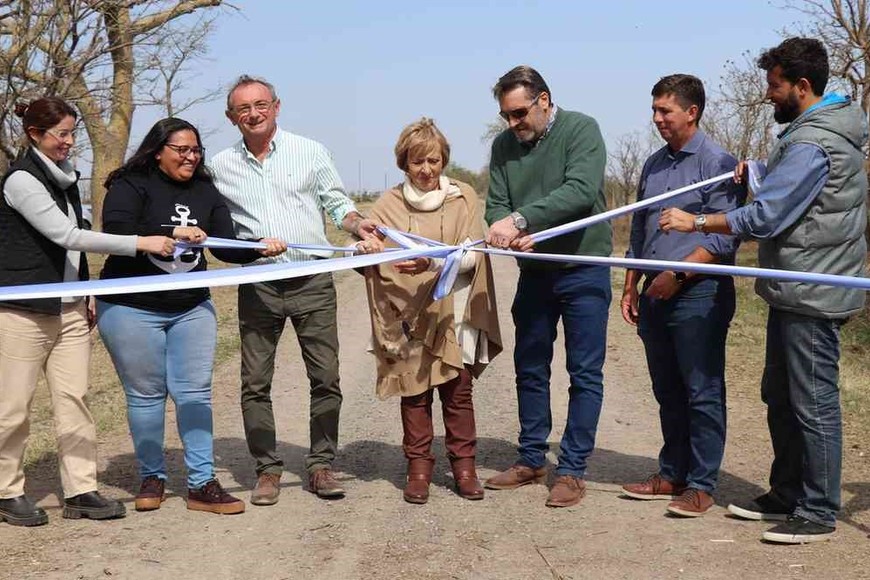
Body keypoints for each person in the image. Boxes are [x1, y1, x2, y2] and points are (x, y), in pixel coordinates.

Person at [660, 38, 867, 543]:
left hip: (812, 292)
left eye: (774, 87)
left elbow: (768, 215)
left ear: (801, 86)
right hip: (790, 288)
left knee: (812, 401)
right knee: (780, 393)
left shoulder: (812, 141)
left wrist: (698, 221)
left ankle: (816, 511)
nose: (768, 96)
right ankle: (786, 493)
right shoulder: (807, 134)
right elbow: (790, 191)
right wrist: (758, 172)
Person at [97, 117, 286, 516]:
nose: (191, 156)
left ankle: (202, 483)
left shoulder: (205, 188)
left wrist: (256, 249)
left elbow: (224, 246)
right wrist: (173, 233)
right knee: (146, 395)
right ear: (158, 150)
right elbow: (117, 230)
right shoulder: (130, 184)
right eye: (181, 149)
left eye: (196, 149)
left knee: (195, 393)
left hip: (191, 307)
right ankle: (153, 477)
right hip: (131, 307)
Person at [0, 97, 175, 526]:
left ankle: (81, 489)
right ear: (34, 135)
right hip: (21, 312)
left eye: (72, 132)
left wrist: (84, 289)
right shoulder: (21, 180)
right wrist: (142, 241)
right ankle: (6, 491)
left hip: (71, 310)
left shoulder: (66, 179)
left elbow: (72, 248)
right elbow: (67, 235)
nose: (69, 141)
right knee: (13, 407)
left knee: (75, 400)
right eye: (61, 134)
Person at [210, 75, 379, 504]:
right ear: (232, 117)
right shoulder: (218, 166)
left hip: (313, 281)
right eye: (243, 109)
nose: (254, 113)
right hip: (258, 285)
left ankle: (322, 465)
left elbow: (337, 205)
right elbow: (211, 221)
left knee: (325, 377)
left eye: (261, 104)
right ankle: (267, 470)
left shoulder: (310, 151)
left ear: (277, 106)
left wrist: (359, 224)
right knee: (255, 383)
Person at [483, 65, 613, 508]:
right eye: (506, 116)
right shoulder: (503, 145)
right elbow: (497, 203)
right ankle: (531, 457)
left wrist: (522, 220)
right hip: (535, 272)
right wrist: (503, 228)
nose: (513, 124)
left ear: (543, 100)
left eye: (519, 113)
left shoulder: (581, 130)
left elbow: (579, 190)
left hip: (583, 267)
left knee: (584, 371)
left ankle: (572, 469)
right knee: (531, 365)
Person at [356, 118, 502, 504]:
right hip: (406, 316)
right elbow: (367, 256)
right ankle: (418, 470)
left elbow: (474, 254)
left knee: (458, 392)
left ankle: (465, 469)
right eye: (417, 162)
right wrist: (364, 251)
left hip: (453, 309)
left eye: (434, 161)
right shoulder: (386, 204)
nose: (426, 170)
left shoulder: (464, 197)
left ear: (444, 160)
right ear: (404, 163)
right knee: (415, 393)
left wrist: (433, 266)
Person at [620, 74, 742, 517]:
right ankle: (671, 473)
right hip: (652, 295)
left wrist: (677, 274)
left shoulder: (718, 162)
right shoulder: (653, 164)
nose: (656, 119)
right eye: (654, 110)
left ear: (691, 112)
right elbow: (639, 225)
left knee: (701, 391)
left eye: (665, 111)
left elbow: (726, 237)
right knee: (667, 390)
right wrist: (631, 283)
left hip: (699, 296)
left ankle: (702, 484)